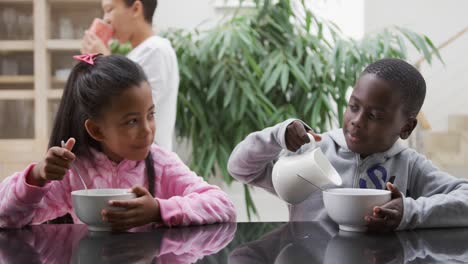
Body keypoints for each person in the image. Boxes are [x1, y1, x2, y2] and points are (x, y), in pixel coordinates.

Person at [228, 58, 468, 231]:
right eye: (353, 107)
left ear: (406, 127)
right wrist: (277, 135)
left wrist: (409, 212)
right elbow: (240, 168)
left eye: (374, 116)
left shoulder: (410, 165)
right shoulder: (312, 152)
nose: (356, 121)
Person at [0, 54, 235, 230]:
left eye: (150, 115)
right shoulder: (75, 171)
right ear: (96, 130)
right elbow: (7, 217)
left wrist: (158, 210)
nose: (147, 130)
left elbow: (223, 205)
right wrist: (37, 176)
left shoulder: (161, 164)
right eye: (132, 121)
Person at [81, 0, 179, 151]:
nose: (105, 19)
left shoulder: (155, 50)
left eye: (110, 9)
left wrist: (105, 61)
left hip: (147, 163)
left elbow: (131, 108)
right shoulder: (139, 53)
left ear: (136, 9)